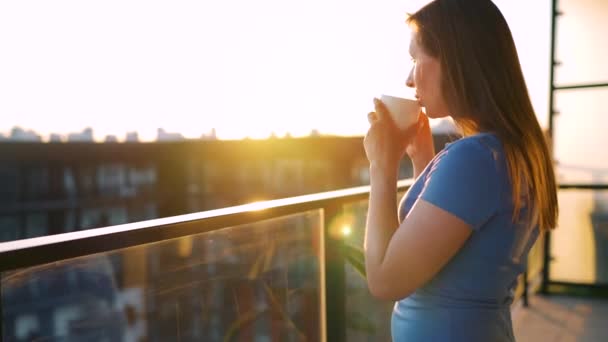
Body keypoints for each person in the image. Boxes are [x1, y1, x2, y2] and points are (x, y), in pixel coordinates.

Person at [362, 0, 558, 341]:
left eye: (415, 59)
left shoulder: (475, 158)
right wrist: (423, 160)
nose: (409, 80)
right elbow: (449, 240)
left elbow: (385, 280)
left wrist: (381, 165)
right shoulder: (506, 150)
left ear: (455, 61)